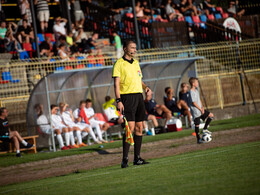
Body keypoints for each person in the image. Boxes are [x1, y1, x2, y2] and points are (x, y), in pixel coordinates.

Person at [113, 40, 151, 168]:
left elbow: (140, 80)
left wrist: (146, 87)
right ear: (125, 49)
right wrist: (119, 101)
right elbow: (116, 84)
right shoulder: (119, 64)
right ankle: (124, 159)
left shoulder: (136, 63)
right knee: (129, 129)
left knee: (140, 128)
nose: (134, 50)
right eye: (132, 48)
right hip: (127, 98)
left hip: (139, 96)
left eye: (135, 48)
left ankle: (137, 158)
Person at [188, 77, 214, 144]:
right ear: (193, 84)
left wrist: (202, 108)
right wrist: (200, 109)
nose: (197, 83)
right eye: (196, 82)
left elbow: (199, 100)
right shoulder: (191, 92)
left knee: (211, 115)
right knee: (197, 125)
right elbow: (194, 102)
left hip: (200, 110)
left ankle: (205, 129)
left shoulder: (196, 91)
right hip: (196, 112)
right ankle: (198, 139)